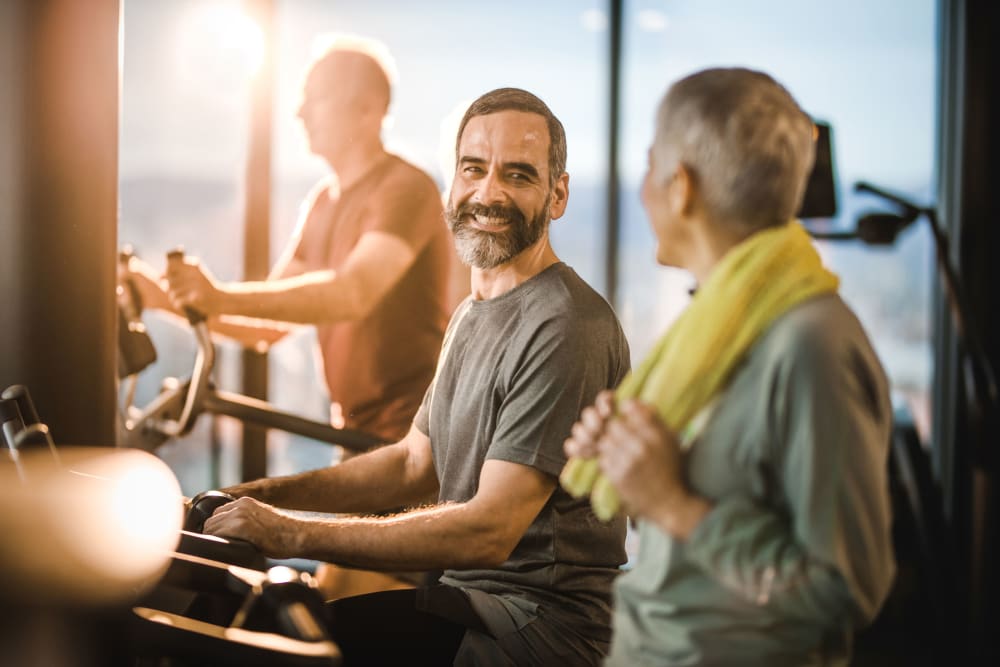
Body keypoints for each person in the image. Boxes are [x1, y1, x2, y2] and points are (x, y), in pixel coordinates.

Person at [201, 87, 631, 666]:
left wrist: (291, 532)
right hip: (469, 599)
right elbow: (412, 464)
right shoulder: (473, 313)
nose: (488, 193)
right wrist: (255, 498)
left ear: (557, 195)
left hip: (535, 627)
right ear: (452, 183)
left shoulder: (566, 325)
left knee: (282, 649)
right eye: (473, 170)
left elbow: (489, 531)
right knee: (249, 622)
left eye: (518, 176)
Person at [564, 67, 895, 666]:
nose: (641, 189)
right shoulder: (711, 326)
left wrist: (674, 504)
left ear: (680, 187)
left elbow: (845, 590)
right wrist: (631, 468)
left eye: (648, 167)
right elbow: (708, 518)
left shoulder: (810, 345)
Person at [124, 35, 455, 446]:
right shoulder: (321, 203)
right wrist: (160, 298)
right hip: (355, 437)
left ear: (368, 110)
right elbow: (267, 327)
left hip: (413, 438)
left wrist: (218, 297)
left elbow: (355, 293)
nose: (299, 113)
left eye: (316, 99)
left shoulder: (406, 189)